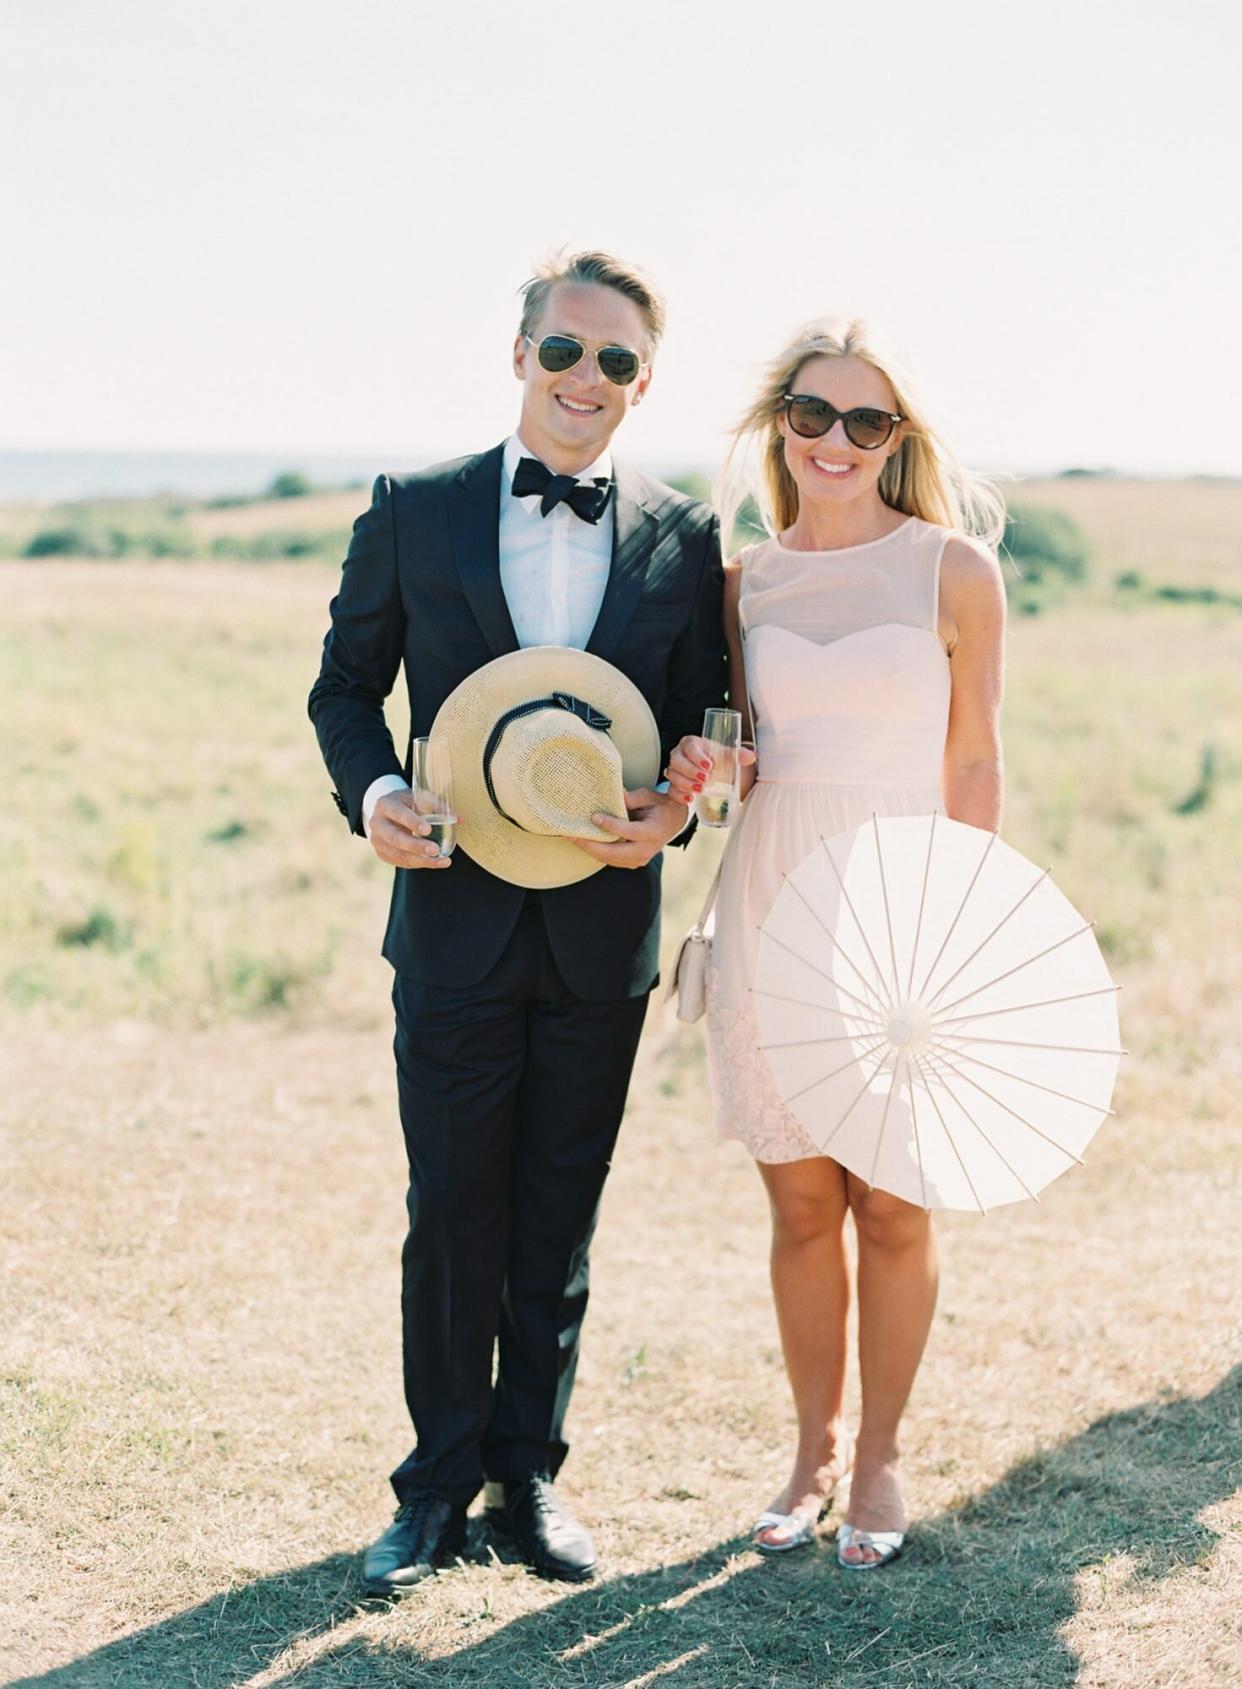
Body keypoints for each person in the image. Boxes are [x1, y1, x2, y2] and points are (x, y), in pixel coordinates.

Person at [309, 251, 726, 1594]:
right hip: (450, 925)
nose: (584, 381)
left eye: (613, 362)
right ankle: (429, 1492)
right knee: (452, 1209)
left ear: (642, 383)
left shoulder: (685, 533)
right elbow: (341, 689)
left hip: (605, 933)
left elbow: (714, 712)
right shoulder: (414, 509)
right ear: (519, 356)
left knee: (562, 1207)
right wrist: (373, 790)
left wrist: (677, 809)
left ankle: (526, 1479)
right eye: (563, 350)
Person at [667, 318, 1006, 1569]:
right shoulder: (745, 582)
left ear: (897, 440)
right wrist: (712, 762)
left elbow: (975, 756)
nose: (837, 443)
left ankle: (881, 1460)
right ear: (780, 428)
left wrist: (964, 917)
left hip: (904, 905)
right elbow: (741, 748)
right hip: (771, 898)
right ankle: (809, 1454)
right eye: (813, 416)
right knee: (804, 1204)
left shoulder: (952, 571)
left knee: (897, 1209)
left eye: (866, 423)